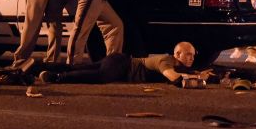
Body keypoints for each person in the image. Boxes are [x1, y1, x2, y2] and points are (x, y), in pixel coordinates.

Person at [32, 41, 211, 86]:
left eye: (193, 55)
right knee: (100, 77)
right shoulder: (167, 61)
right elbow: (175, 79)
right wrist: (198, 78)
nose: (191, 58)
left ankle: (37, 67)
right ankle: (56, 77)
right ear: (177, 53)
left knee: (78, 68)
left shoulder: (176, 64)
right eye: (187, 54)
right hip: (121, 65)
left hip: (118, 61)